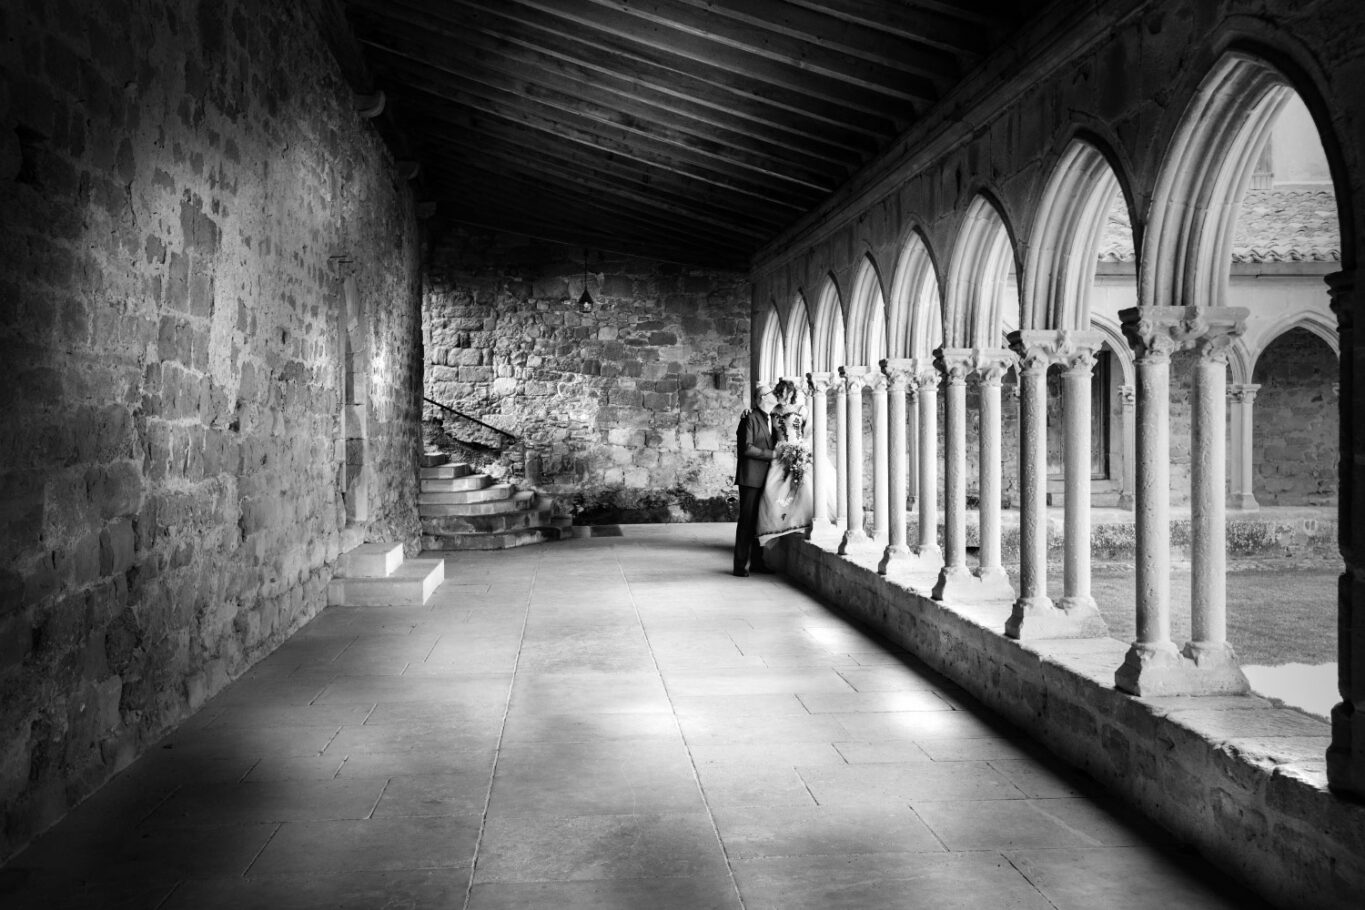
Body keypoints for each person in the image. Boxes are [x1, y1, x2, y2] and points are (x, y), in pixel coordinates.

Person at [756, 379, 815, 545]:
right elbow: (768, 435)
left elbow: (809, 432)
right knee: (772, 489)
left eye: (786, 392)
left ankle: (803, 523)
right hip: (780, 453)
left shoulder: (802, 410)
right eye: (780, 392)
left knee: (804, 487)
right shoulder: (772, 411)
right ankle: (779, 525)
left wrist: (803, 450)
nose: (783, 396)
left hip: (799, 450)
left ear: (792, 393)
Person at [733, 381, 778, 576]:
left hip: (765, 478)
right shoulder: (749, 418)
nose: (774, 394)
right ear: (762, 398)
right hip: (750, 478)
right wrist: (772, 455)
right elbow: (747, 448)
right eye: (771, 392)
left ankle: (758, 563)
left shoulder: (771, 418)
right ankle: (739, 565)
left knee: (759, 521)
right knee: (747, 522)